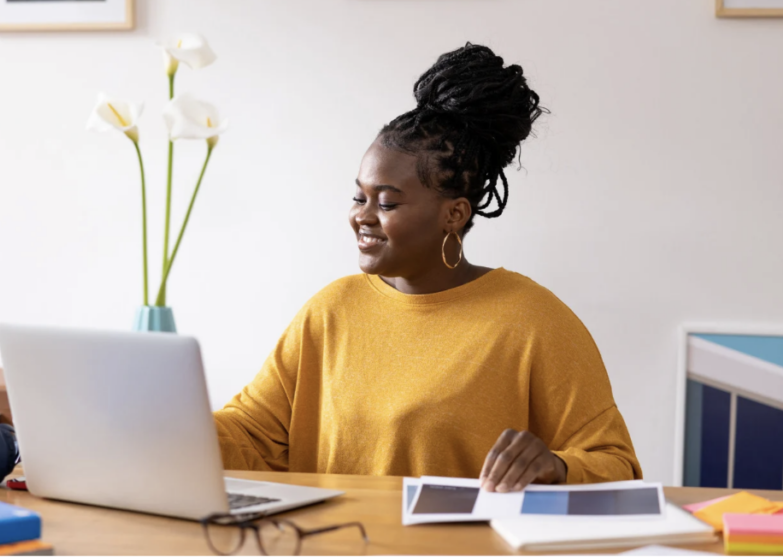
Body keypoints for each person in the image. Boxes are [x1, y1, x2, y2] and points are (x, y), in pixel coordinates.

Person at [214, 44, 642, 491]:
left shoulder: (533, 322)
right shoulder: (330, 311)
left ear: (454, 215)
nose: (363, 215)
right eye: (360, 197)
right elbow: (252, 435)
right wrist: (161, 424)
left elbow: (617, 466)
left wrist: (556, 467)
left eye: (388, 202)